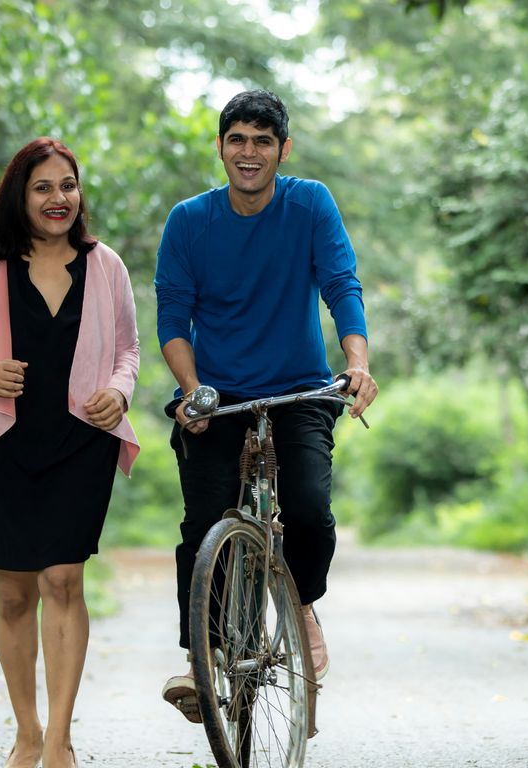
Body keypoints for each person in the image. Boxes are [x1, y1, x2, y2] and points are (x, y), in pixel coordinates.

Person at [152, 89, 378, 721]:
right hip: (217, 395)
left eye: (262, 141)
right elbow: (173, 314)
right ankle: (204, 661)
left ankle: (302, 600)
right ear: (221, 147)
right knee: (203, 526)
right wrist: (193, 389)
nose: (248, 153)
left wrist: (356, 363)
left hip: (300, 389)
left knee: (307, 506)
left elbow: (341, 284)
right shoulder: (189, 220)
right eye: (236, 140)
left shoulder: (309, 204)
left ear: (283, 148)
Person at [0, 137, 140, 768]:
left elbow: (128, 351)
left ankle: (58, 741)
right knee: (14, 592)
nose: (59, 199)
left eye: (68, 186)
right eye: (44, 188)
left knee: (63, 578)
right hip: (2, 441)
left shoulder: (106, 266)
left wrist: (118, 392)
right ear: (19, 197)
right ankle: (26, 730)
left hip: (80, 440)